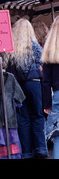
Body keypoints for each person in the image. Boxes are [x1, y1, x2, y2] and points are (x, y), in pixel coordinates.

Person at [4, 18, 48, 159]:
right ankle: (40, 149)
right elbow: (43, 63)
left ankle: (27, 152)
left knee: (23, 118)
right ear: (29, 30)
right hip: (33, 83)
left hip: (17, 85)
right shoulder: (34, 46)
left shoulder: (10, 49)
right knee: (37, 115)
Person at [41, 17, 59, 159]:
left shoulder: (49, 50)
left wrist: (46, 104)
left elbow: (45, 81)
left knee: (57, 135)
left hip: (57, 96)